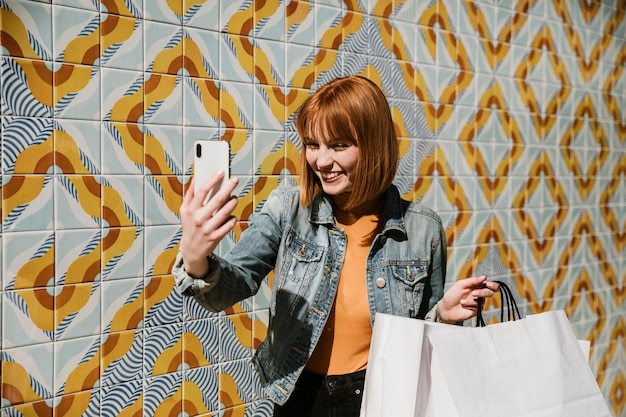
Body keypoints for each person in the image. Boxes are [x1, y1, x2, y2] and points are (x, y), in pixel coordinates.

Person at [173, 75, 499, 417]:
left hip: (379, 394)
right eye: (313, 144)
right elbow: (230, 288)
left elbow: (419, 341)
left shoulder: (422, 228)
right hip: (297, 394)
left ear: (374, 144)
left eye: (339, 145)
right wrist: (197, 260)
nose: (322, 161)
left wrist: (444, 317)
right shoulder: (288, 208)